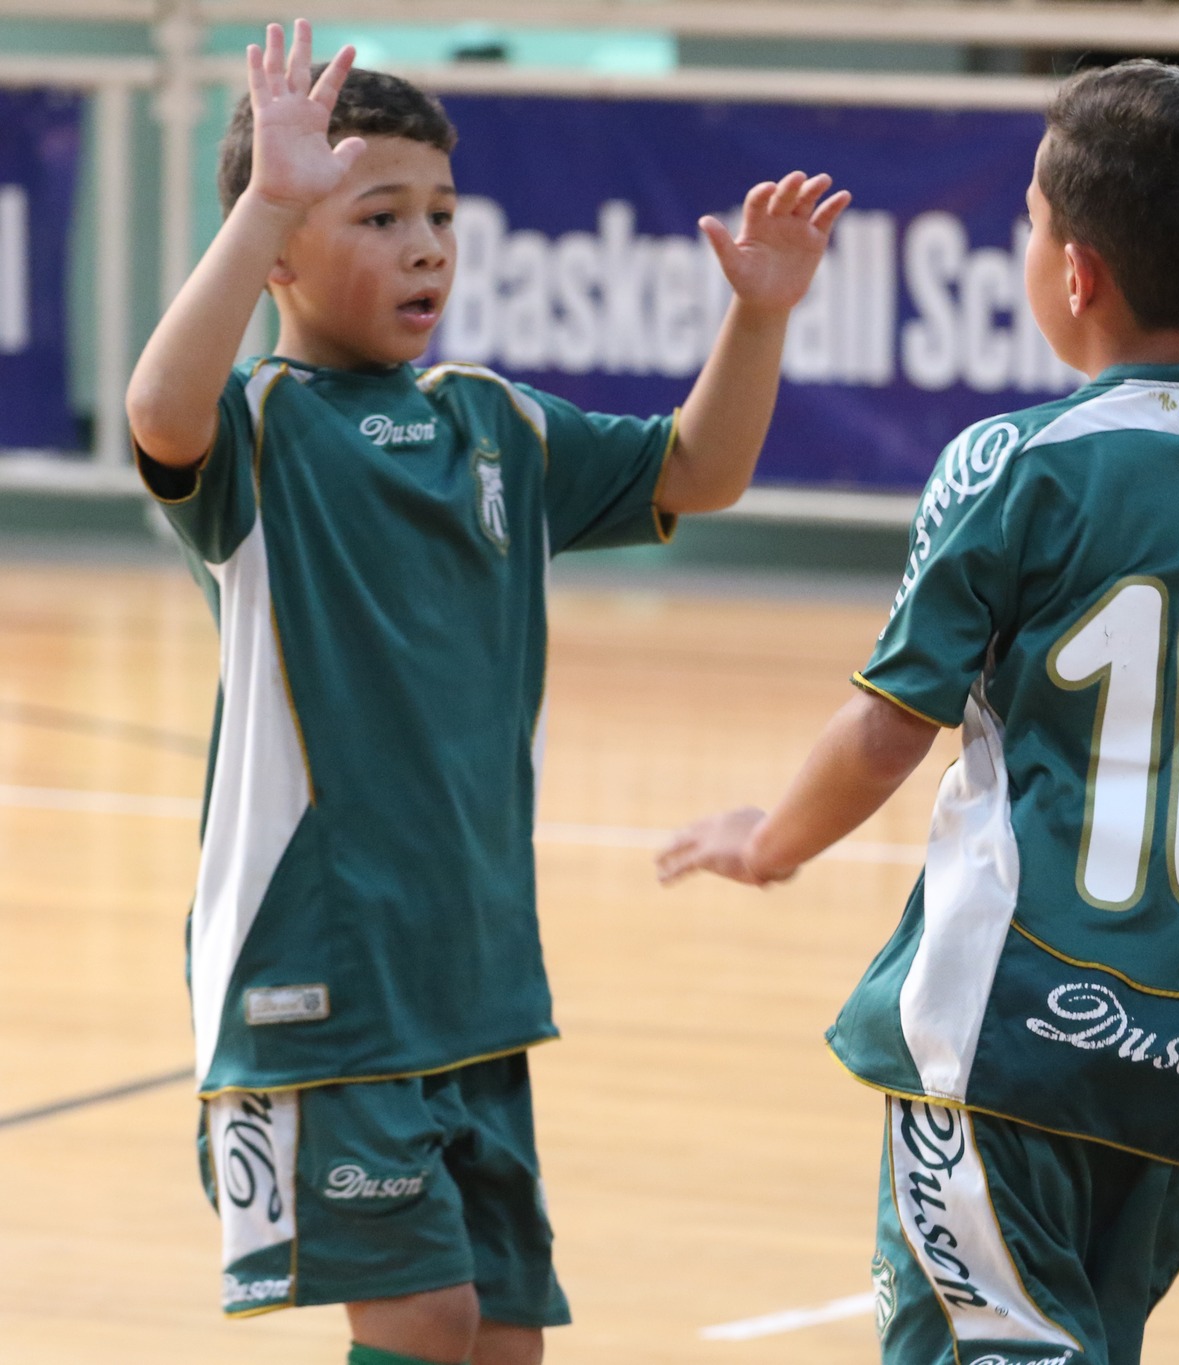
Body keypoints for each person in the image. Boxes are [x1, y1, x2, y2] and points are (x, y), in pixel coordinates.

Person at [655, 60, 1179, 1365]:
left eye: (1030, 218)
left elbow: (890, 725)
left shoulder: (1013, 465)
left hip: (1004, 1045)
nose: (1023, 241)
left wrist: (773, 840)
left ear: (1077, 270)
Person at [123, 21, 846, 1365]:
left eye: (442, 214)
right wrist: (270, 191)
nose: (425, 246)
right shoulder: (261, 439)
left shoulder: (493, 425)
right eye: (380, 213)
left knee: (504, 1337)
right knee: (428, 1317)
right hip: (317, 970)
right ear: (275, 248)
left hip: (474, 981)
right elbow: (161, 409)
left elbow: (700, 470)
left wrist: (759, 316)